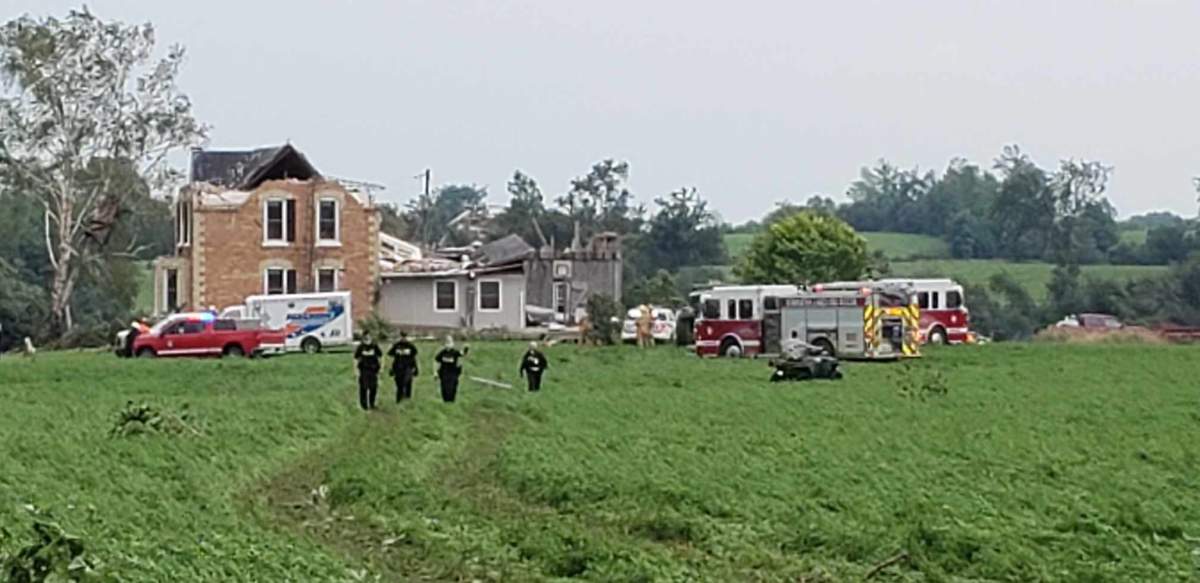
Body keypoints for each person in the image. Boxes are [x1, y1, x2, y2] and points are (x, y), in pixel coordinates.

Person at [353, 333, 383, 410]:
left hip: (373, 370)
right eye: (366, 337)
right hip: (364, 370)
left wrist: (381, 368)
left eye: (369, 337)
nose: (368, 339)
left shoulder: (374, 346)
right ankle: (364, 406)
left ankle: (372, 404)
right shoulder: (361, 347)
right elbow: (356, 358)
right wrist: (356, 370)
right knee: (363, 388)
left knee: (373, 388)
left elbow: (381, 356)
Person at [433, 336, 467, 403]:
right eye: (447, 342)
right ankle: (445, 401)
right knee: (444, 388)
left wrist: (466, 349)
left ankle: (451, 401)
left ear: (452, 343)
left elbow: (462, 354)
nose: (448, 344)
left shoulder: (455, 352)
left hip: (453, 374)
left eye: (449, 342)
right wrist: (435, 372)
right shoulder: (442, 353)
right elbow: (436, 361)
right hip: (444, 373)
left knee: (452, 388)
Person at [387, 331, 419, 402]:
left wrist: (416, 368)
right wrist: (390, 368)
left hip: (408, 367)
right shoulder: (396, 345)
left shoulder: (410, 346)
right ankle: (399, 398)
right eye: (402, 337)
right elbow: (390, 356)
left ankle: (407, 398)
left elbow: (414, 357)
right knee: (399, 383)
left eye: (404, 337)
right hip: (397, 367)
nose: (403, 338)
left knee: (406, 382)